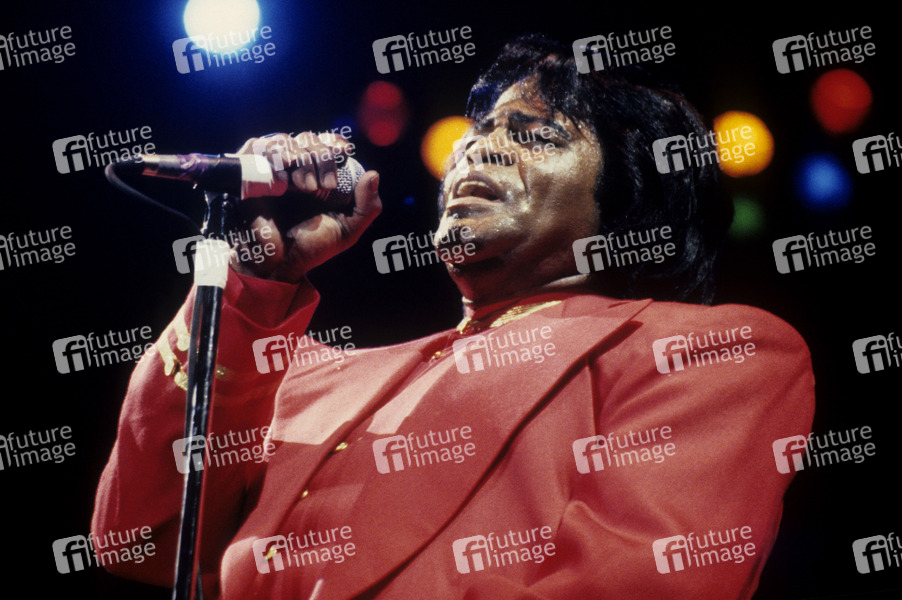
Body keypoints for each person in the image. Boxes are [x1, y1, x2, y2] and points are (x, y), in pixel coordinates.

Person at [92, 34, 814, 599]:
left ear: (629, 194)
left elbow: (635, 583)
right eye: (481, 128)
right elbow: (145, 541)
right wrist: (256, 282)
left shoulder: (702, 350)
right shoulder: (306, 377)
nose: (478, 146)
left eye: (536, 134)